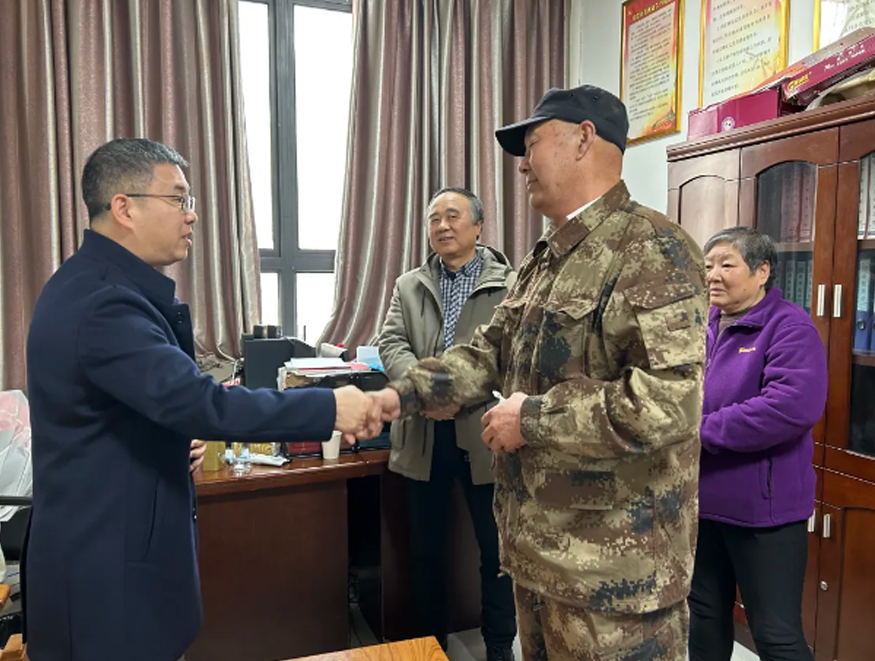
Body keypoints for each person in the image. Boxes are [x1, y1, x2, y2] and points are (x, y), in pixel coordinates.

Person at [370, 85, 709, 660]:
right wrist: (395, 398)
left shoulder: (653, 248)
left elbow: (668, 403)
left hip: (614, 581)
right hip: (541, 559)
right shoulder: (543, 259)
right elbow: (487, 354)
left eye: (532, 146)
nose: (522, 164)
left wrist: (530, 419)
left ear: (583, 139)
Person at [24, 138, 387, 661]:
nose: (191, 214)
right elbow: (202, 403)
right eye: (178, 199)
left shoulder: (95, 285)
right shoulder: (104, 303)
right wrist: (331, 407)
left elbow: (136, 407)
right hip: (104, 580)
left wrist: (173, 437)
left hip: (112, 558)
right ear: (124, 208)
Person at [377, 187, 517, 660]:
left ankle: (499, 646)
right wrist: (426, 393)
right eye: (433, 218)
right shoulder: (409, 284)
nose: (441, 226)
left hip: (485, 431)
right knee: (425, 551)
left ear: (478, 226)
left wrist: (455, 394)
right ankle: (429, 646)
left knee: (496, 553)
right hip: (423, 433)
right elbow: (391, 343)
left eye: (452, 216)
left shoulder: (509, 283)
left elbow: (510, 353)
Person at [688, 227, 827, 661]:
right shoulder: (706, 325)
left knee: (775, 634)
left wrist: (698, 431)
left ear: (762, 271)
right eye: (708, 265)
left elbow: (789, 408)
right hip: (701, 505)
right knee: (704, 618)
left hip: (763, 512)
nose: (713, 275)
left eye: (726, 264)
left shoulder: (789, 326)